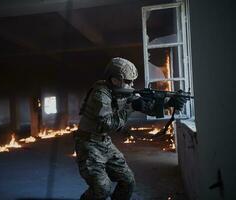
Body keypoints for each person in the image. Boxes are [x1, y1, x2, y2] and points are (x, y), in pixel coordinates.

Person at [74, 57, 187, 200]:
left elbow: (147, 106)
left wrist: (168, 102)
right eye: (128, 82)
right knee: (102, 188)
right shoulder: (100, 95)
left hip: (104, 142)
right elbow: (108, 124)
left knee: (128, 181)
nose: (132, 85)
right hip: (88, 145)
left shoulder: (120, 90)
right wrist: (131, 107)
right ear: (115, 80)